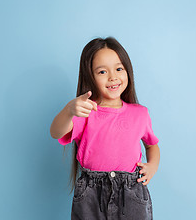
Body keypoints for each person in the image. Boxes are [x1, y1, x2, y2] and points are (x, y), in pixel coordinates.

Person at [50, 37, 160, 219]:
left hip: (131, 192)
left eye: (119, 69)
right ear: (90, 76)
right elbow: (55, 132)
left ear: (128, 71)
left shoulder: (140, 114)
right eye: (102, 72)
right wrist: (70, 110)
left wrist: (153, 165)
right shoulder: (85, 111)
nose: (113, 77)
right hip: (91, 193)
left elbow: (151, 144)